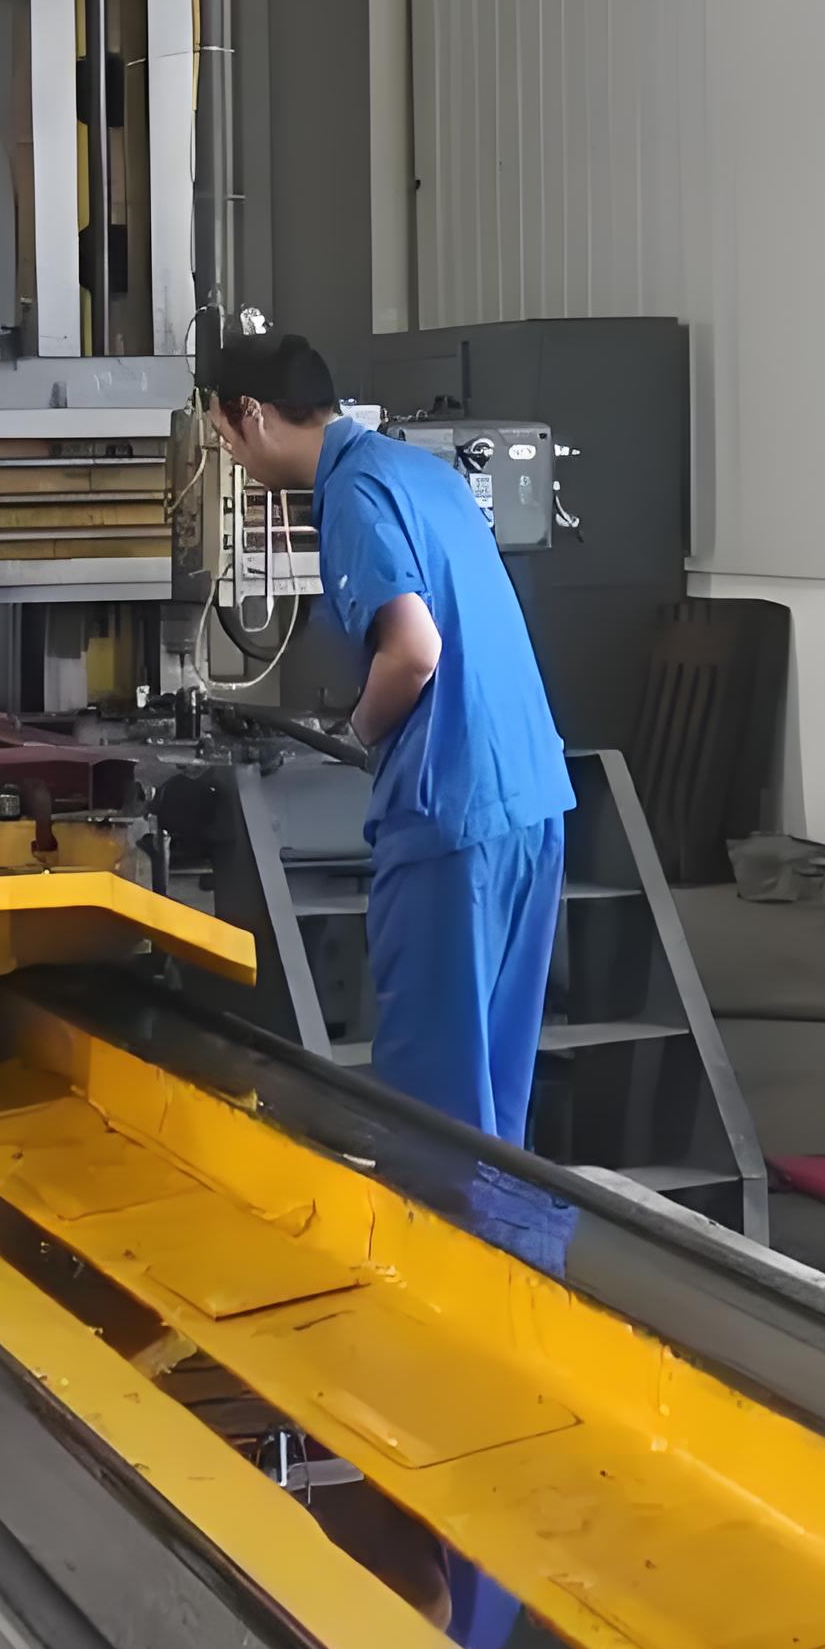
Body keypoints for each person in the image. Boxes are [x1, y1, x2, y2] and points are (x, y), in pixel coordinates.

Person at [197, 331, 573, 1154]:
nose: (235, 460)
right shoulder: (421, 472)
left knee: (434, 1106)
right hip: (530, 799)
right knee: (492, 1090)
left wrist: (357, 730)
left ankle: (441, 1234)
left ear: (252, 414)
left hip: (451, 810)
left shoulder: (353, 495)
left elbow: (414, 650)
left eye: (226, 439)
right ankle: (496, 1233)